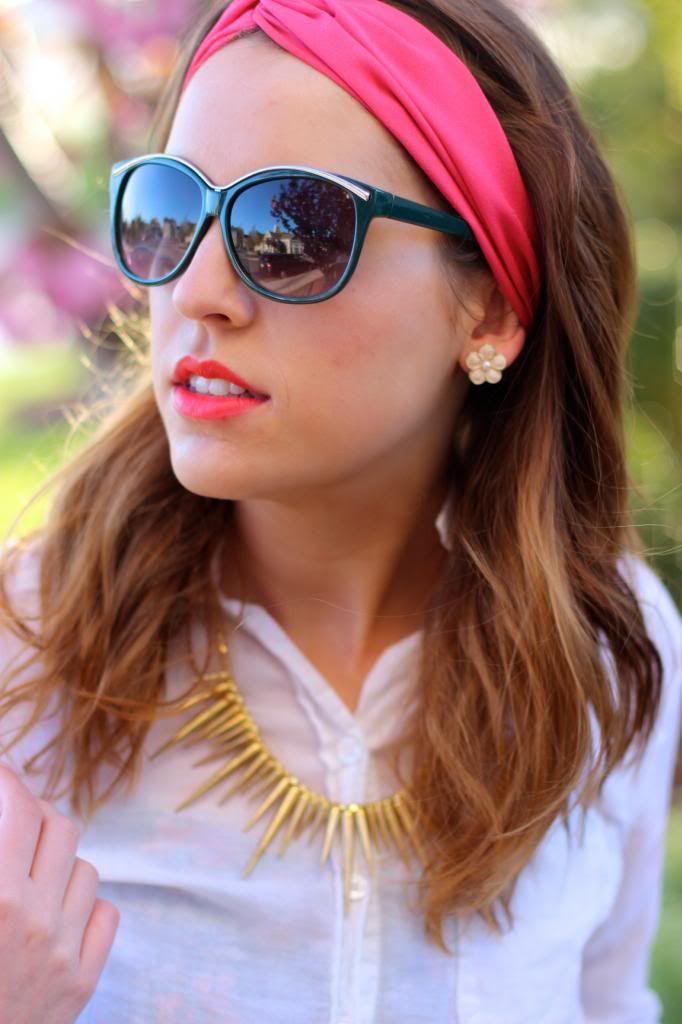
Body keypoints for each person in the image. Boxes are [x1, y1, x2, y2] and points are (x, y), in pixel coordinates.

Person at [0, 0, 680, 1021]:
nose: (200, 290)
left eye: (289, 229)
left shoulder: (607, 656)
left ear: (489, 303)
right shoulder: (25, 656)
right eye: (169, 213)